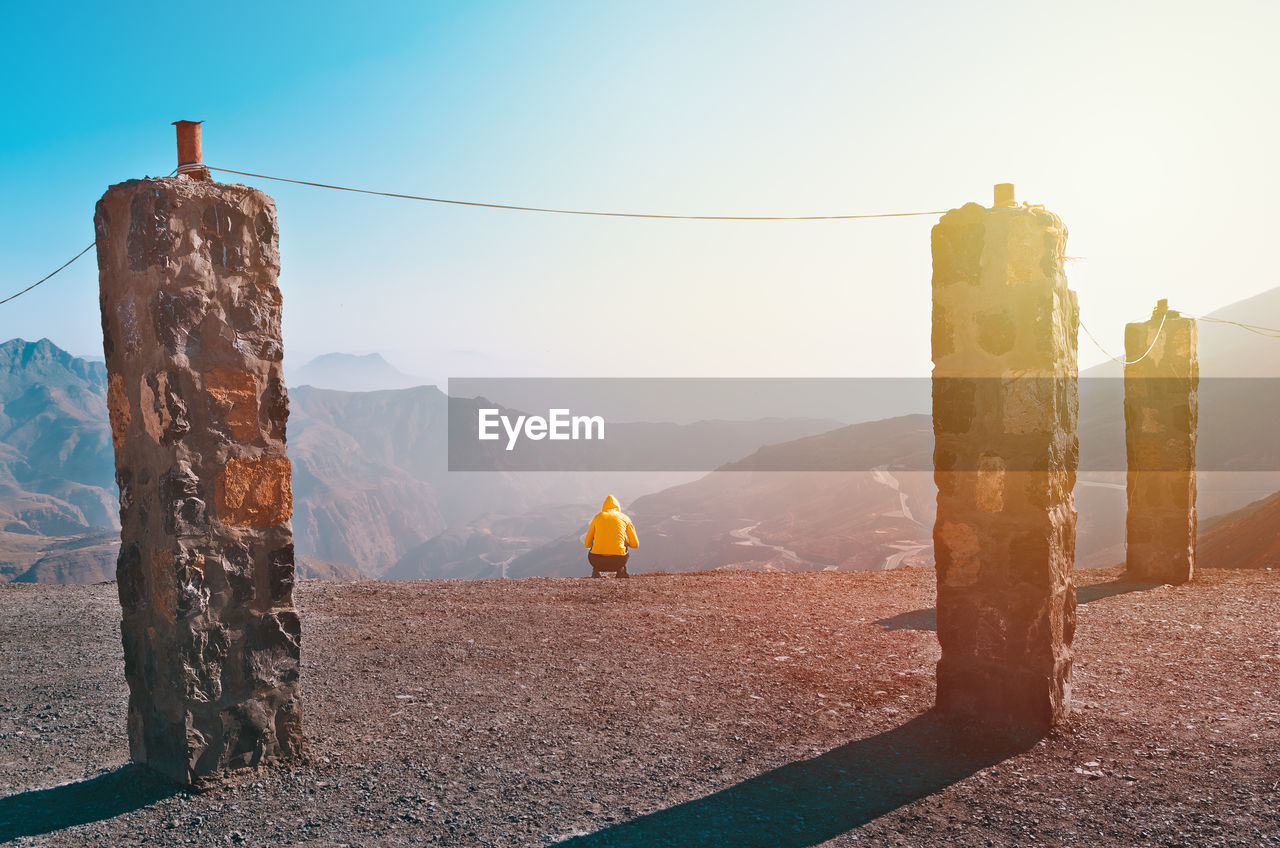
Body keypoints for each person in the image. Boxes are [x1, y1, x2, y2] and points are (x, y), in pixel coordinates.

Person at [583, 495, 639, 578]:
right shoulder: (625, 518)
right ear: (618, 507)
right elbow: (635, 544)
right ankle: (621, 571)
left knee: (593, 543)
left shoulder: (597, 517)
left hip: (597, 561)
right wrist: (624, 539)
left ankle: (596, 572)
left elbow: (587, 544)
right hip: (619, 561)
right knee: (623, 540)